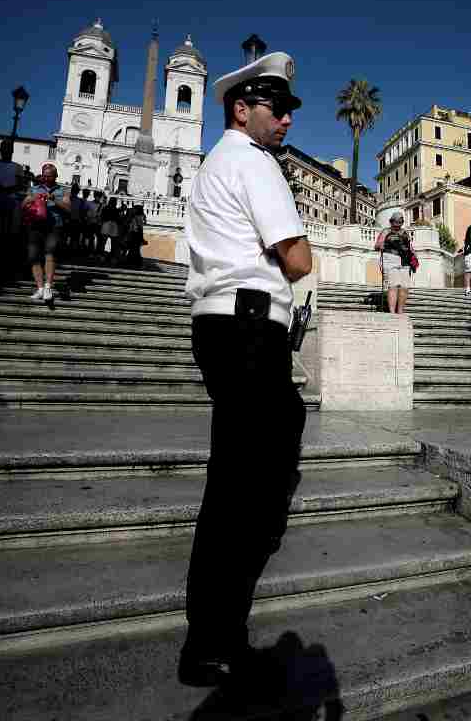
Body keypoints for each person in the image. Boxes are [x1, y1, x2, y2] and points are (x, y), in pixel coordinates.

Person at [180, 48, 311, 688]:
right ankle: (212, 638)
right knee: (243, 484)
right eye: (276, 108)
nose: (285, 120)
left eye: (288, 109)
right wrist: (291, 250)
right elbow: (300, 258)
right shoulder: (253, 163)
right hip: (248, 326)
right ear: (242, 108)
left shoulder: (214, 164)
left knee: (252, 464)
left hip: (227, 325)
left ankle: (217, 630)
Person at [21, 163, 71, 302]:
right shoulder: (34, 189)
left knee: (50, 252)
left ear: (55, 176)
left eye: (49, 176)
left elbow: (68, 208)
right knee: (33, 256)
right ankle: (40, 288)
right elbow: (23, 205)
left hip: (54, 225)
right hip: (35, 225)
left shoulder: (64, 191)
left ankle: (48, 286)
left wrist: (54, 199)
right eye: (44, 175)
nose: (46, 178)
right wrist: (31, 199)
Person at [374, 211, 414, 314]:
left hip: (405, 261)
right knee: (393, 285)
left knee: (404, 286)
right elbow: (377, 245)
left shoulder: (405, 233)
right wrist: (380, 246)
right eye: (395, 222)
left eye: (400, 222)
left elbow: (410, 247)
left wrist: (413, 257)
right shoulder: (386, 231)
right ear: (391, 222)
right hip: (390, 258)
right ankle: (392, 312)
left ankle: (400, 311)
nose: (397, 224)